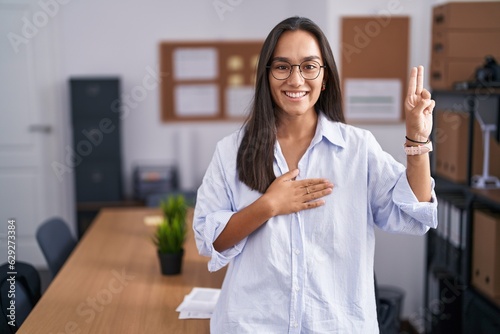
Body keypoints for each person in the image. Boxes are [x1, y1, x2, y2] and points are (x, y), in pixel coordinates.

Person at [193, 16, 437, 333]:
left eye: (308, 66)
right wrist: (268, 206)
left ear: (324, 78)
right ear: (266, 76)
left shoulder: (357, 148)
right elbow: (208, 240)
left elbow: (413, 213)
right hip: (253, 325)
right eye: (282, 67)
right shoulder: (230, 151)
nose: (296, 80)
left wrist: (417, 139)